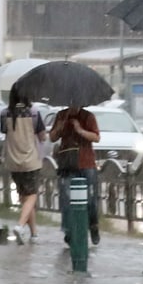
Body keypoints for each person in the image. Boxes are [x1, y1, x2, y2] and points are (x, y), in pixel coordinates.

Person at [0, 87, 47, 245]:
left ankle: (34, 234)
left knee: (24, 197)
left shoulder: (5, 113)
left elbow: (4, 132)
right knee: (32, 195)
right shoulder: (33, 112)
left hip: (13, 161)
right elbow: (42, 137)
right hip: (30, 160)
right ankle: (20, 226)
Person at [49, 105, 101, 246]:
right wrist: (60, 127)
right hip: (67, 164)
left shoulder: (88, 116)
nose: (73, 105)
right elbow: (52, 137)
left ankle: (93, 225)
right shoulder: (61, 115)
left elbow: (96, 137)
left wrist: (79, 130)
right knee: (66, 198)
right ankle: (69, 231)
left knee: (90, 199)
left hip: (86, 163)